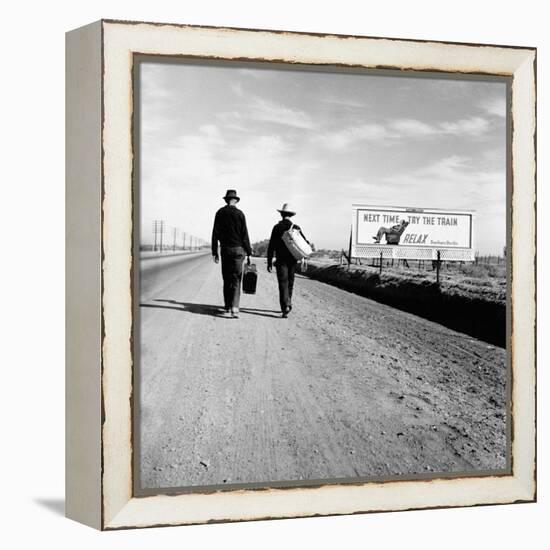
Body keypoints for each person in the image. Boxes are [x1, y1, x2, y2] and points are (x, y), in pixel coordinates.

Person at [211, 189, 252, 318]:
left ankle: (227, 306)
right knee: (236, 278)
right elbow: (245, 234)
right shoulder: (240, 214)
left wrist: (214, 252)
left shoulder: (220, 213)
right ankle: (235, 307)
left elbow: (215, 234)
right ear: (235, 200)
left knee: (227, 277)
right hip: (239, 250)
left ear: (226, 200)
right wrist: (249, 252)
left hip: (226, 250)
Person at [267, 203, 311, 318]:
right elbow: (304, 242)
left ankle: (285, 306)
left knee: (283, 283)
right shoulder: (296, 227)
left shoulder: (276, 227)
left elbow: (271, 245)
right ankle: (288, 302)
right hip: (292, 260)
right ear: (291, 215)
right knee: (290, 282)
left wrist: (269, 260)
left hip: (280, 260)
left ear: (281, 214)